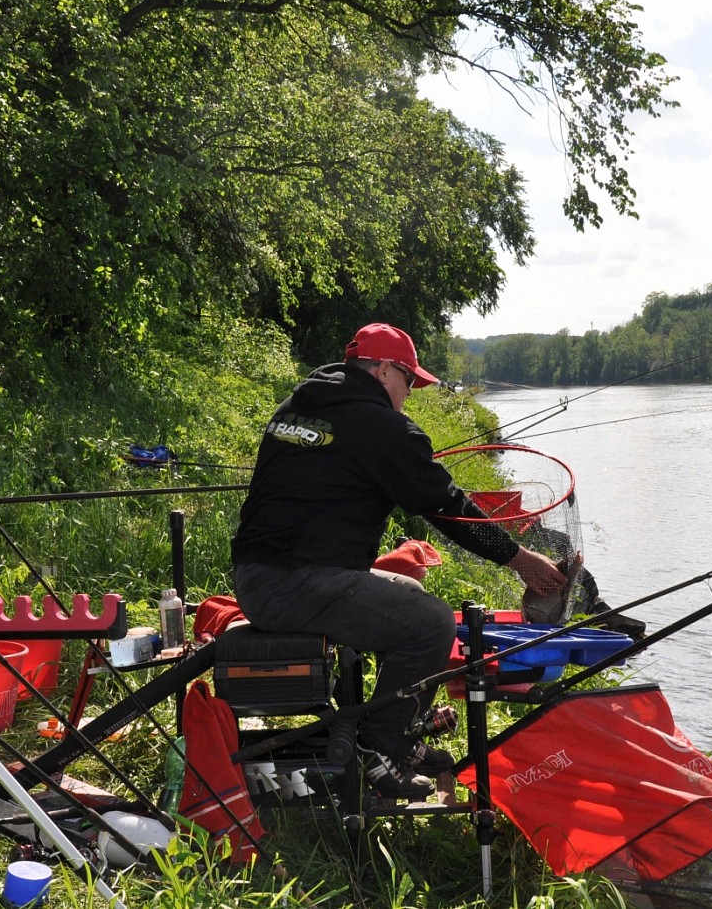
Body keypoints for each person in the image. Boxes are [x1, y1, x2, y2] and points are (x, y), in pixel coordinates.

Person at [230, 323, 569, 797]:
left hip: (260, 574)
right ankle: (379, 746)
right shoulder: (380, 427)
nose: (410, 394)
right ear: (385, 370)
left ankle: (396, 728)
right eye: (410, 381)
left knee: (408, 592)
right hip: (292, 583)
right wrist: (518, 558)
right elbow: (449, 508)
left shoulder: (299, 406)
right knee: (431, 624)